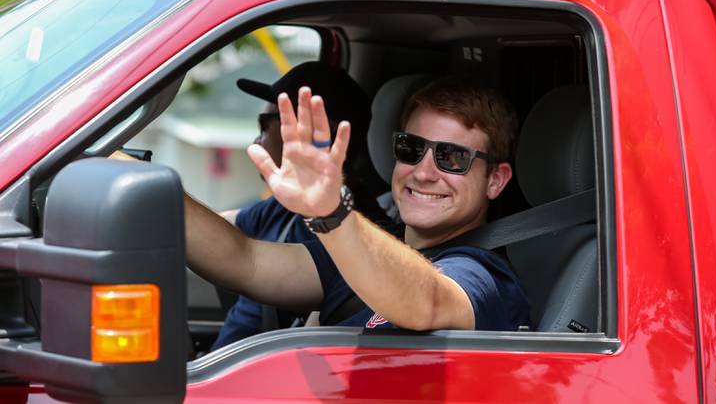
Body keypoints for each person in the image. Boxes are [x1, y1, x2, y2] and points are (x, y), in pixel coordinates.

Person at [186, 77, 531, 332]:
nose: (424, 173)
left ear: (496, 180)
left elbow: (429, 301)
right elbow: (246, 262)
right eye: (411, 149)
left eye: (453, 157)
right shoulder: (371, 244)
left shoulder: (486, 277)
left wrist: (332, 214)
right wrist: (145, 183)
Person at [187, 62, 389, 349]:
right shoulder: (282, 209)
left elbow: (243, 259)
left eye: (266, 124)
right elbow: (212, 229)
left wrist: (146, 190)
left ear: (315, 134)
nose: (256, 138)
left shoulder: (363, 240)